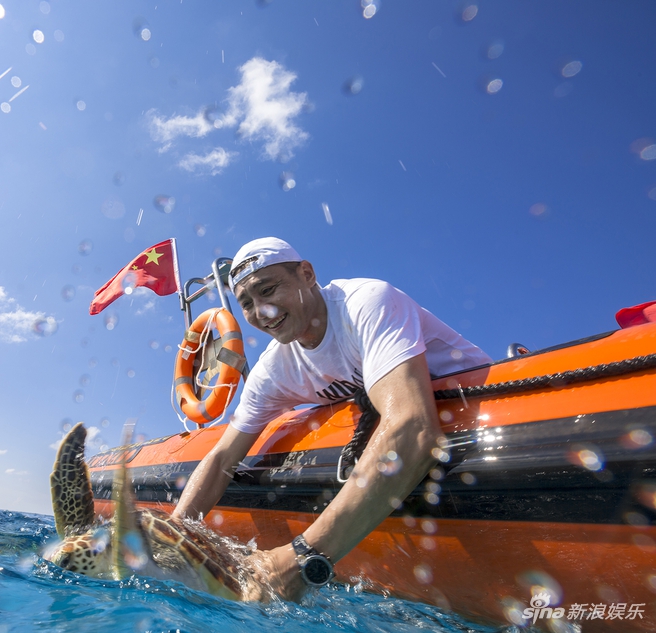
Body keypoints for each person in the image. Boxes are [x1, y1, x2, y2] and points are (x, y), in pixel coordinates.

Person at [171, 237, 492, 601]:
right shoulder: (273, 371)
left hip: (488, 424)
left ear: (307, 274)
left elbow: (414, 428)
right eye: (247, 303)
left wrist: (299, 559)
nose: (263, 312)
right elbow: (222, 458)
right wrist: (174, 535)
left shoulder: (367, 303)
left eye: (269, 290)